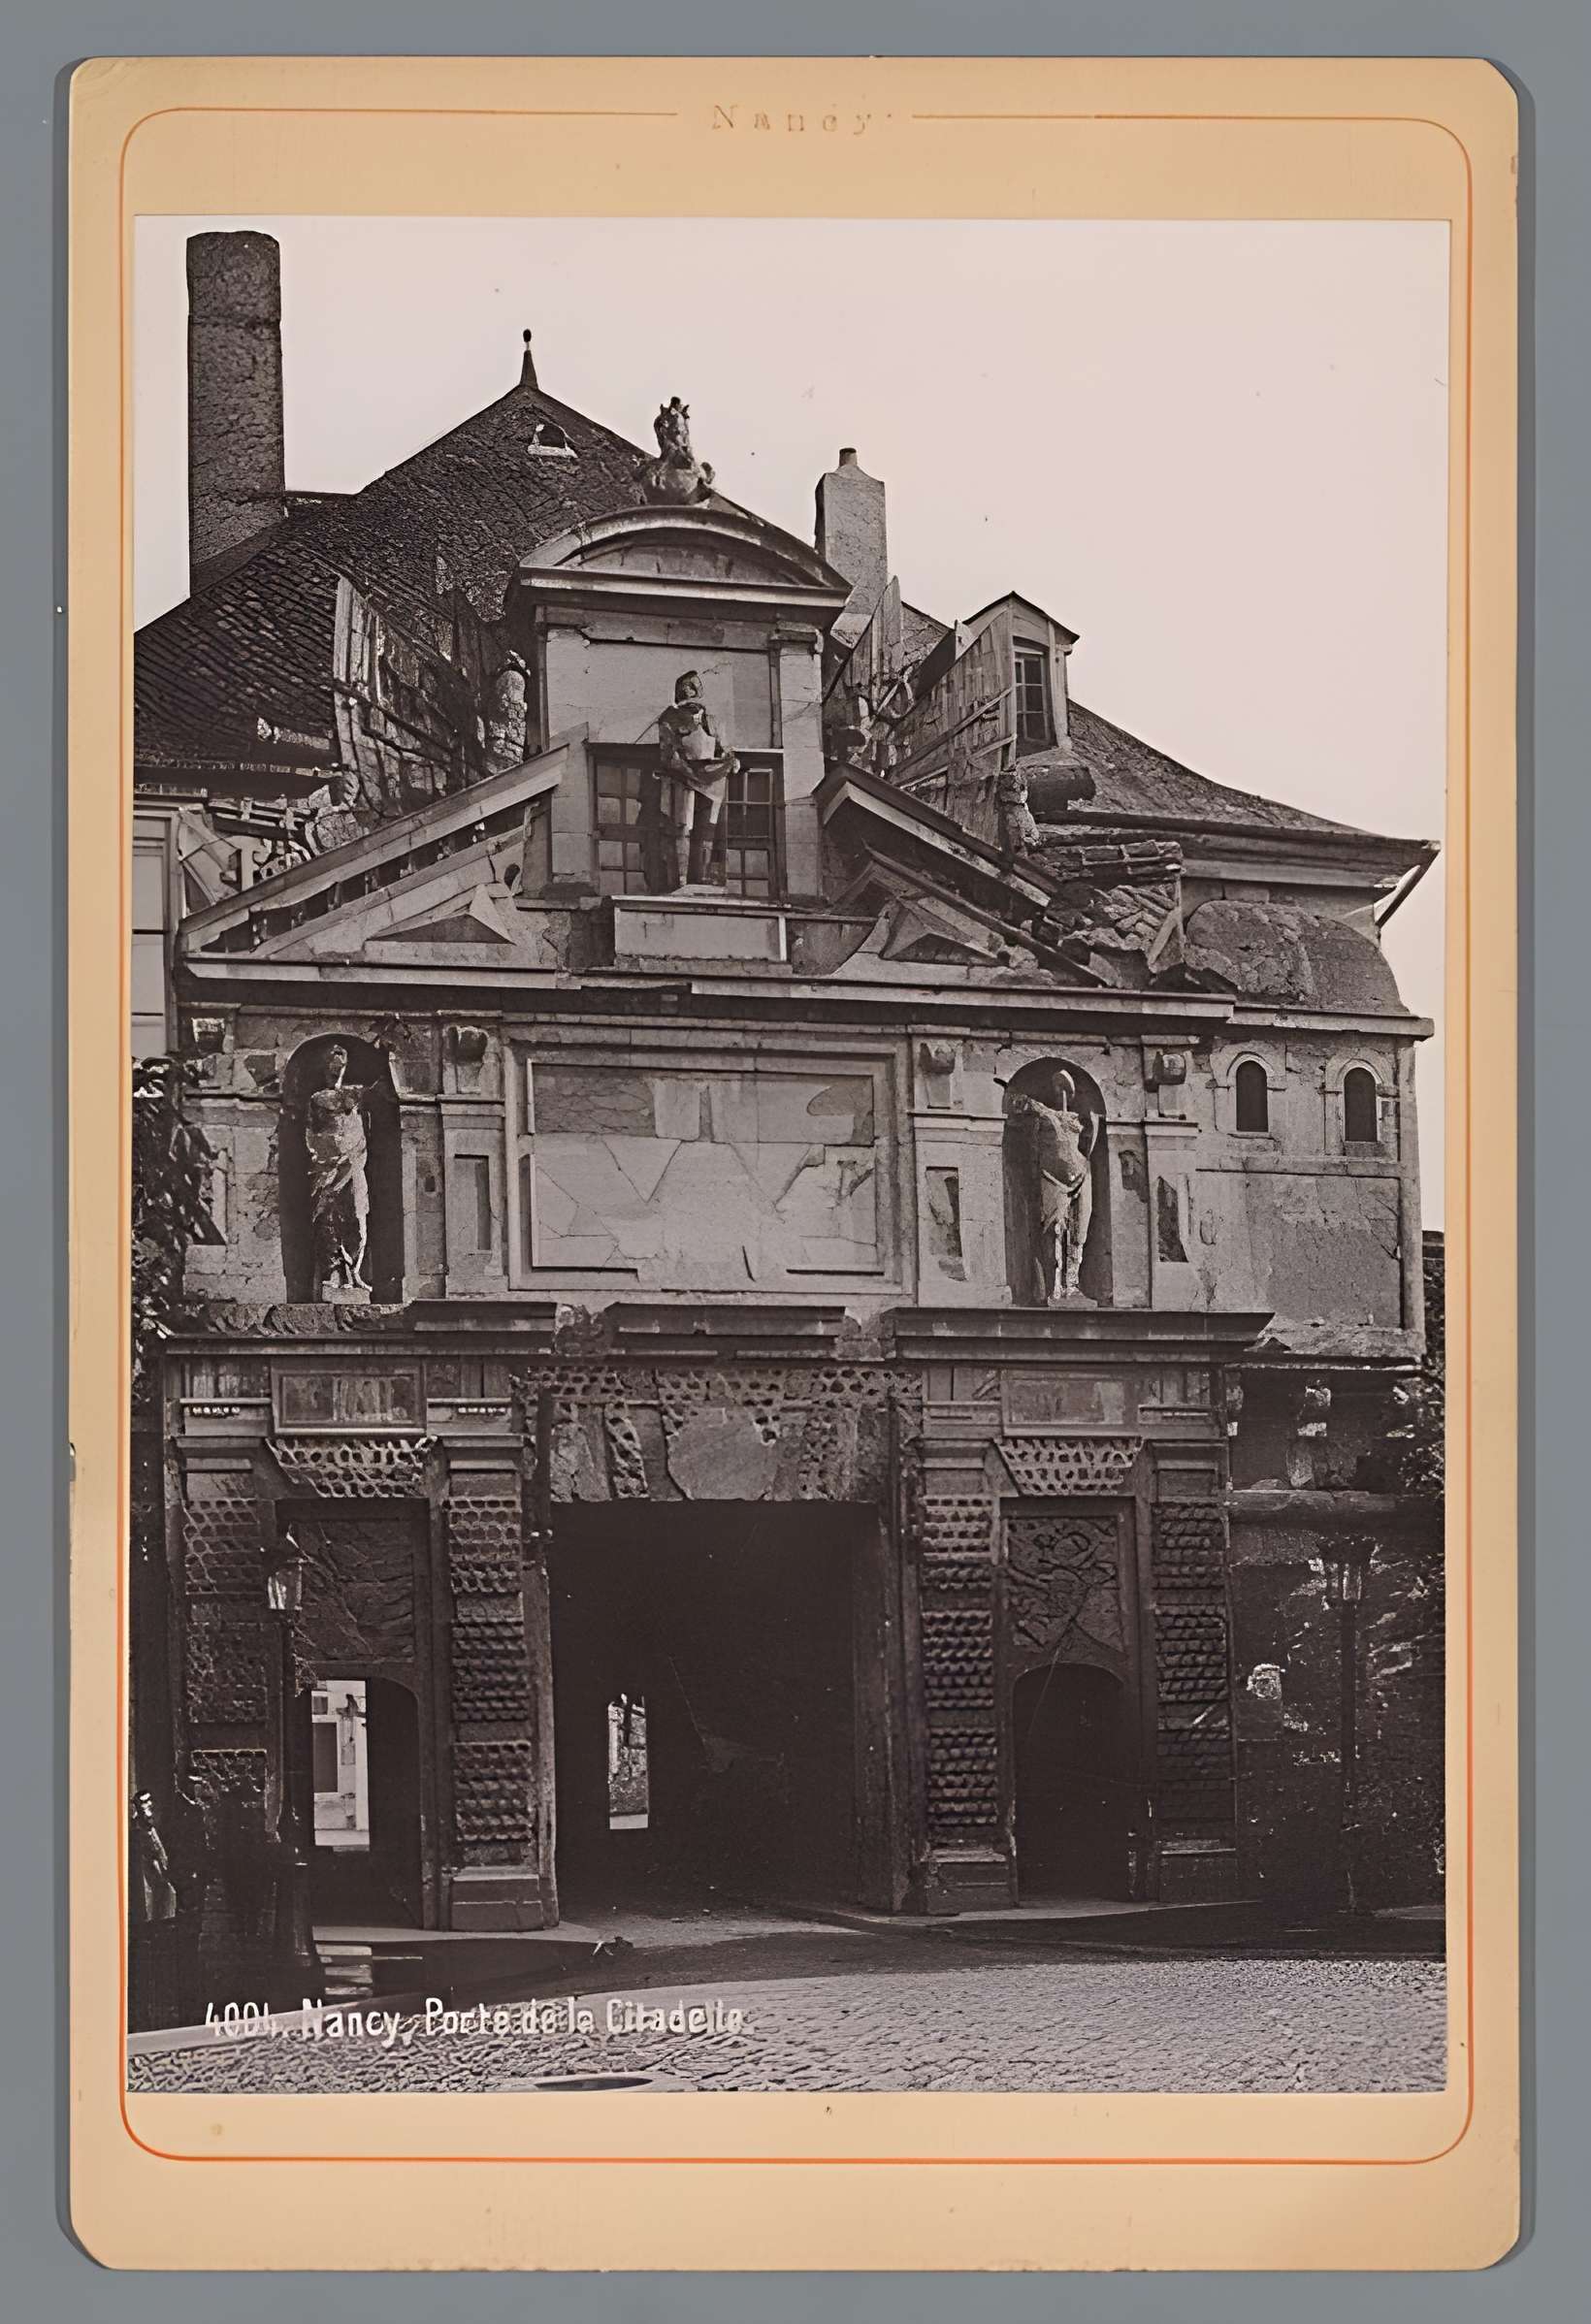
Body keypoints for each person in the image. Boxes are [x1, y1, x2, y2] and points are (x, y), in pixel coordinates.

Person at [1009, 1070, 1098, 1301]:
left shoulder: (1079, 1120)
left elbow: (1089, 1143)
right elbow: (1024, 1108)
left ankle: (1072, 1284)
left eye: (1065, 1088)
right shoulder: (1045, 1114)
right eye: (1058, 1087)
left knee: (1079, 1232)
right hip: (1051, 1177)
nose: (1062, 1093)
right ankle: (1053, 1286)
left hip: (1080, 1175)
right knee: (1054, 1231)